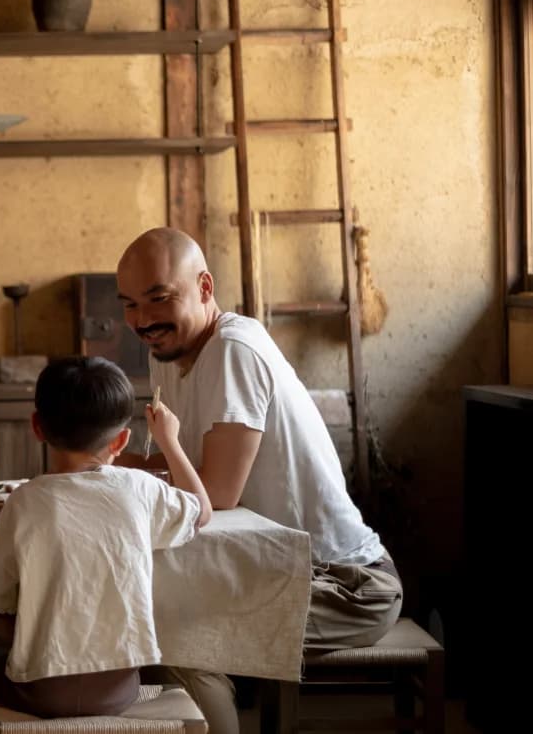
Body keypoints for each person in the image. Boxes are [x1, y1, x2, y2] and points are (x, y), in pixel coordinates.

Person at [114, 227, 403, 734]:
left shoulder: (233, 349)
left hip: (346, 584)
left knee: (175, 637)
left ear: (205, 287)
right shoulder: (170, 355)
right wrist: (105, 467)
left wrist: (124, 467)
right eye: (130, 305)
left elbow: (215, 495)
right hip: (271, 571)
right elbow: (176, 473)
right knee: (138, 611)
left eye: (159, 299)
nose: (143, 321)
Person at [0, 356, 211, 720]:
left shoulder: (24, 500)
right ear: (122, 440)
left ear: (37, 426)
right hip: (120, 688)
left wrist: (36, 637)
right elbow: (201, 510)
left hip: (43, 690)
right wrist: (169, 441)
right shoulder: (140, 488)